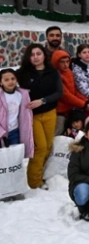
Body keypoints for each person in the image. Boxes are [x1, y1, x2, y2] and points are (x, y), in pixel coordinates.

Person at [17, 44, 62, 189]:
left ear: (44, 55)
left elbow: (58, 93)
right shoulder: (23, 73)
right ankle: (34, 182)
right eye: (32, 54)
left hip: (50, 113)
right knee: (40, 147)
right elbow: (7, 83)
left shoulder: (53, 72)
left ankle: (39, 173)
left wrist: (42, 101)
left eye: (38, 53)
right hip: (32, 116)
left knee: (48, 146)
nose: (35, 57)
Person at [50, 50, 89, 136]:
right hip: (60, 112)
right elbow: (66, 95)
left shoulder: (69, 72)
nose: (65, 64)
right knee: (58, 132)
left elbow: (75, 91)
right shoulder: (55, 75)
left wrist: (86, 101)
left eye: (67, 61)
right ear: (56, 63)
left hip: (70, 109)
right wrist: (84, 104)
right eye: (62, 62)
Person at [0, 69, 33, 155]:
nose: (10, 81)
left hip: (15, 131)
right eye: (6, 80)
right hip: (2, 133)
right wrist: (2, 132)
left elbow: (26, 114)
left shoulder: (21, 95)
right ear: (1, 82)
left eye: (13, 78)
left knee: (15, 156)